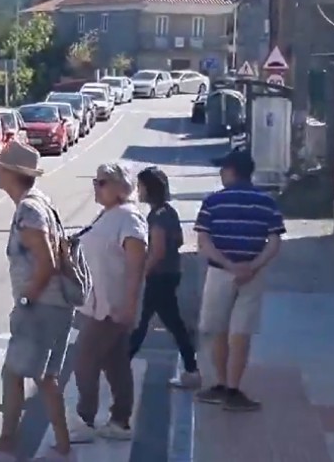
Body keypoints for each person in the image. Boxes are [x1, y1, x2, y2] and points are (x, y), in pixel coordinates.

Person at [0, 140, 76, 462]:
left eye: (0, 166)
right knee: (44, 377)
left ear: (10, 173)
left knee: (16, 373)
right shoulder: (38, 203)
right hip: (54, 305)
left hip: (41, 307)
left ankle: (8, 445)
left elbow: (45, 262)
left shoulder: (29, 209)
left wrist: (25, 299)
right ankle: (62, 447)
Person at [193, 150, 285, 411]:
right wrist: (252, 266)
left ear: (232, 171)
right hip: (252, 276)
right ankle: (233, 390)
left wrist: (229, 265)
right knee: (241, 333)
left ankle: (221, 384)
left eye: (223, 169)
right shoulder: (267, 202)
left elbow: (204, 241)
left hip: (220, 273)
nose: (221, 173)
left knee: (217, 330)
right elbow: (275, 241)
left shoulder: (213, 202)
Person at [68, 163, 148, 443]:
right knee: (115, 364)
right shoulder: (109, 214)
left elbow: (137, 265)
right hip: (100, 303)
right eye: (95, 181)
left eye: (102, 182)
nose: (96, 187)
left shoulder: (129, 218)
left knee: (84, 361)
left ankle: (86, 419)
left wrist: (129, 305)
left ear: (120, 188)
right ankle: (119, 422)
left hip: (113, 306)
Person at [129, 166, 200, 388]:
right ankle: (191, 368)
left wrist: (142, 272)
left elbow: (157, 250)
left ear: (149, 189)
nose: (138, 191)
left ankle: (121, 366)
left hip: (159, 277)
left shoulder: (157, 217)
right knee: (169, 322)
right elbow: (178, 241)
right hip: (172, 273)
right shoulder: (169, 212)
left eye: (140, 186)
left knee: (143, 323)